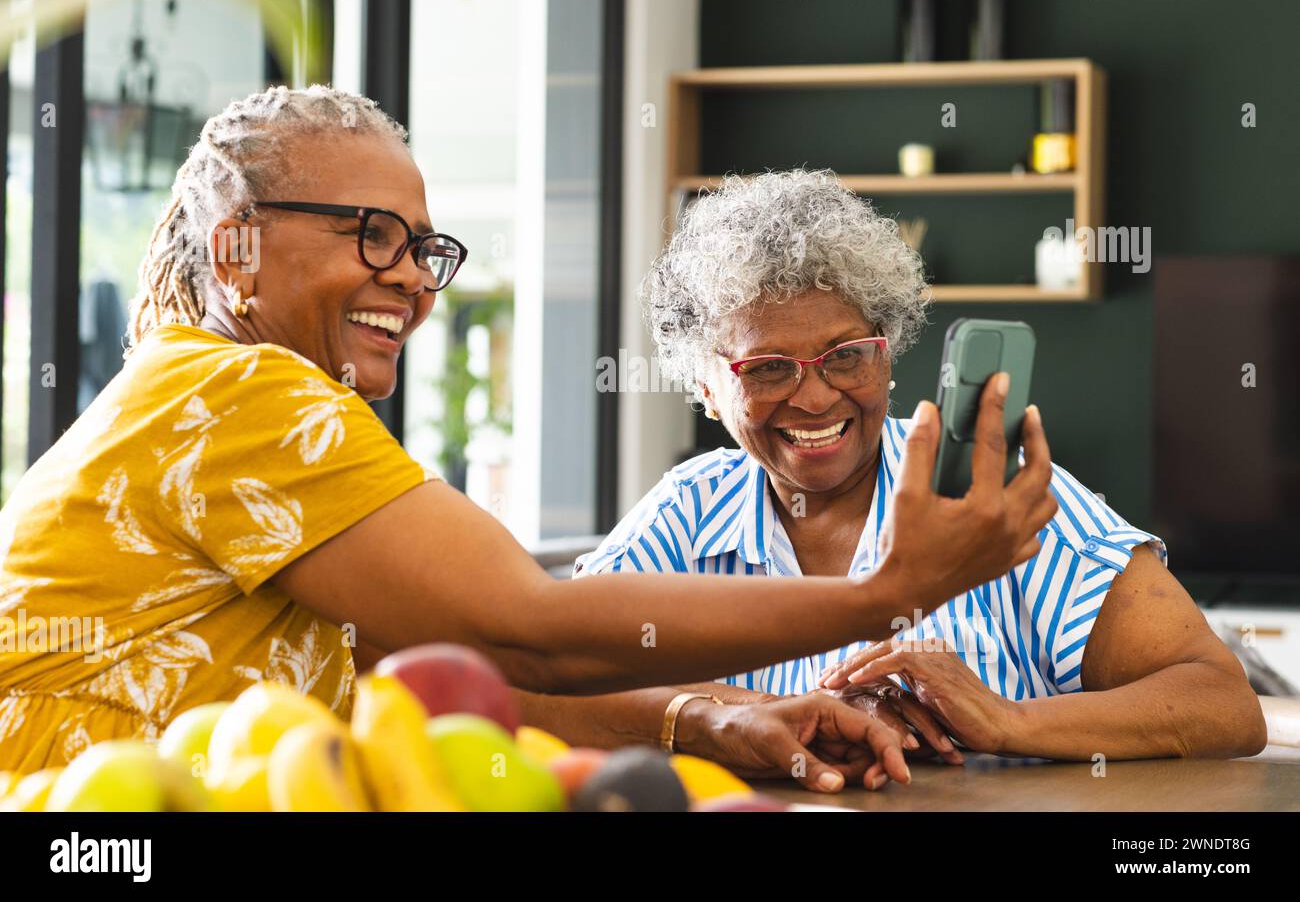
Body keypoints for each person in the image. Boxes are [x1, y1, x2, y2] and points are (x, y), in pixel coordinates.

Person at [0, 90, 1053, 780]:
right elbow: (529, 630)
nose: (411, 275)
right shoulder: (239, 392)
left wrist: (697, 720)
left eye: (423, 247)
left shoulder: (222, 399)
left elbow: (427, 680)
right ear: (235, 250)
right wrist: (881, 593)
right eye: (370, 234)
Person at [513, 169, 1266, 783]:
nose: (814, 396)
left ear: (888, 352)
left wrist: (1006, 718)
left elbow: (1222, 702)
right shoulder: (686, 512)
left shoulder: (995, 495)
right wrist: (750, 711)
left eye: (846, 354)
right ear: (706, 386)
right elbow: (541, 689)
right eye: (767, 368)